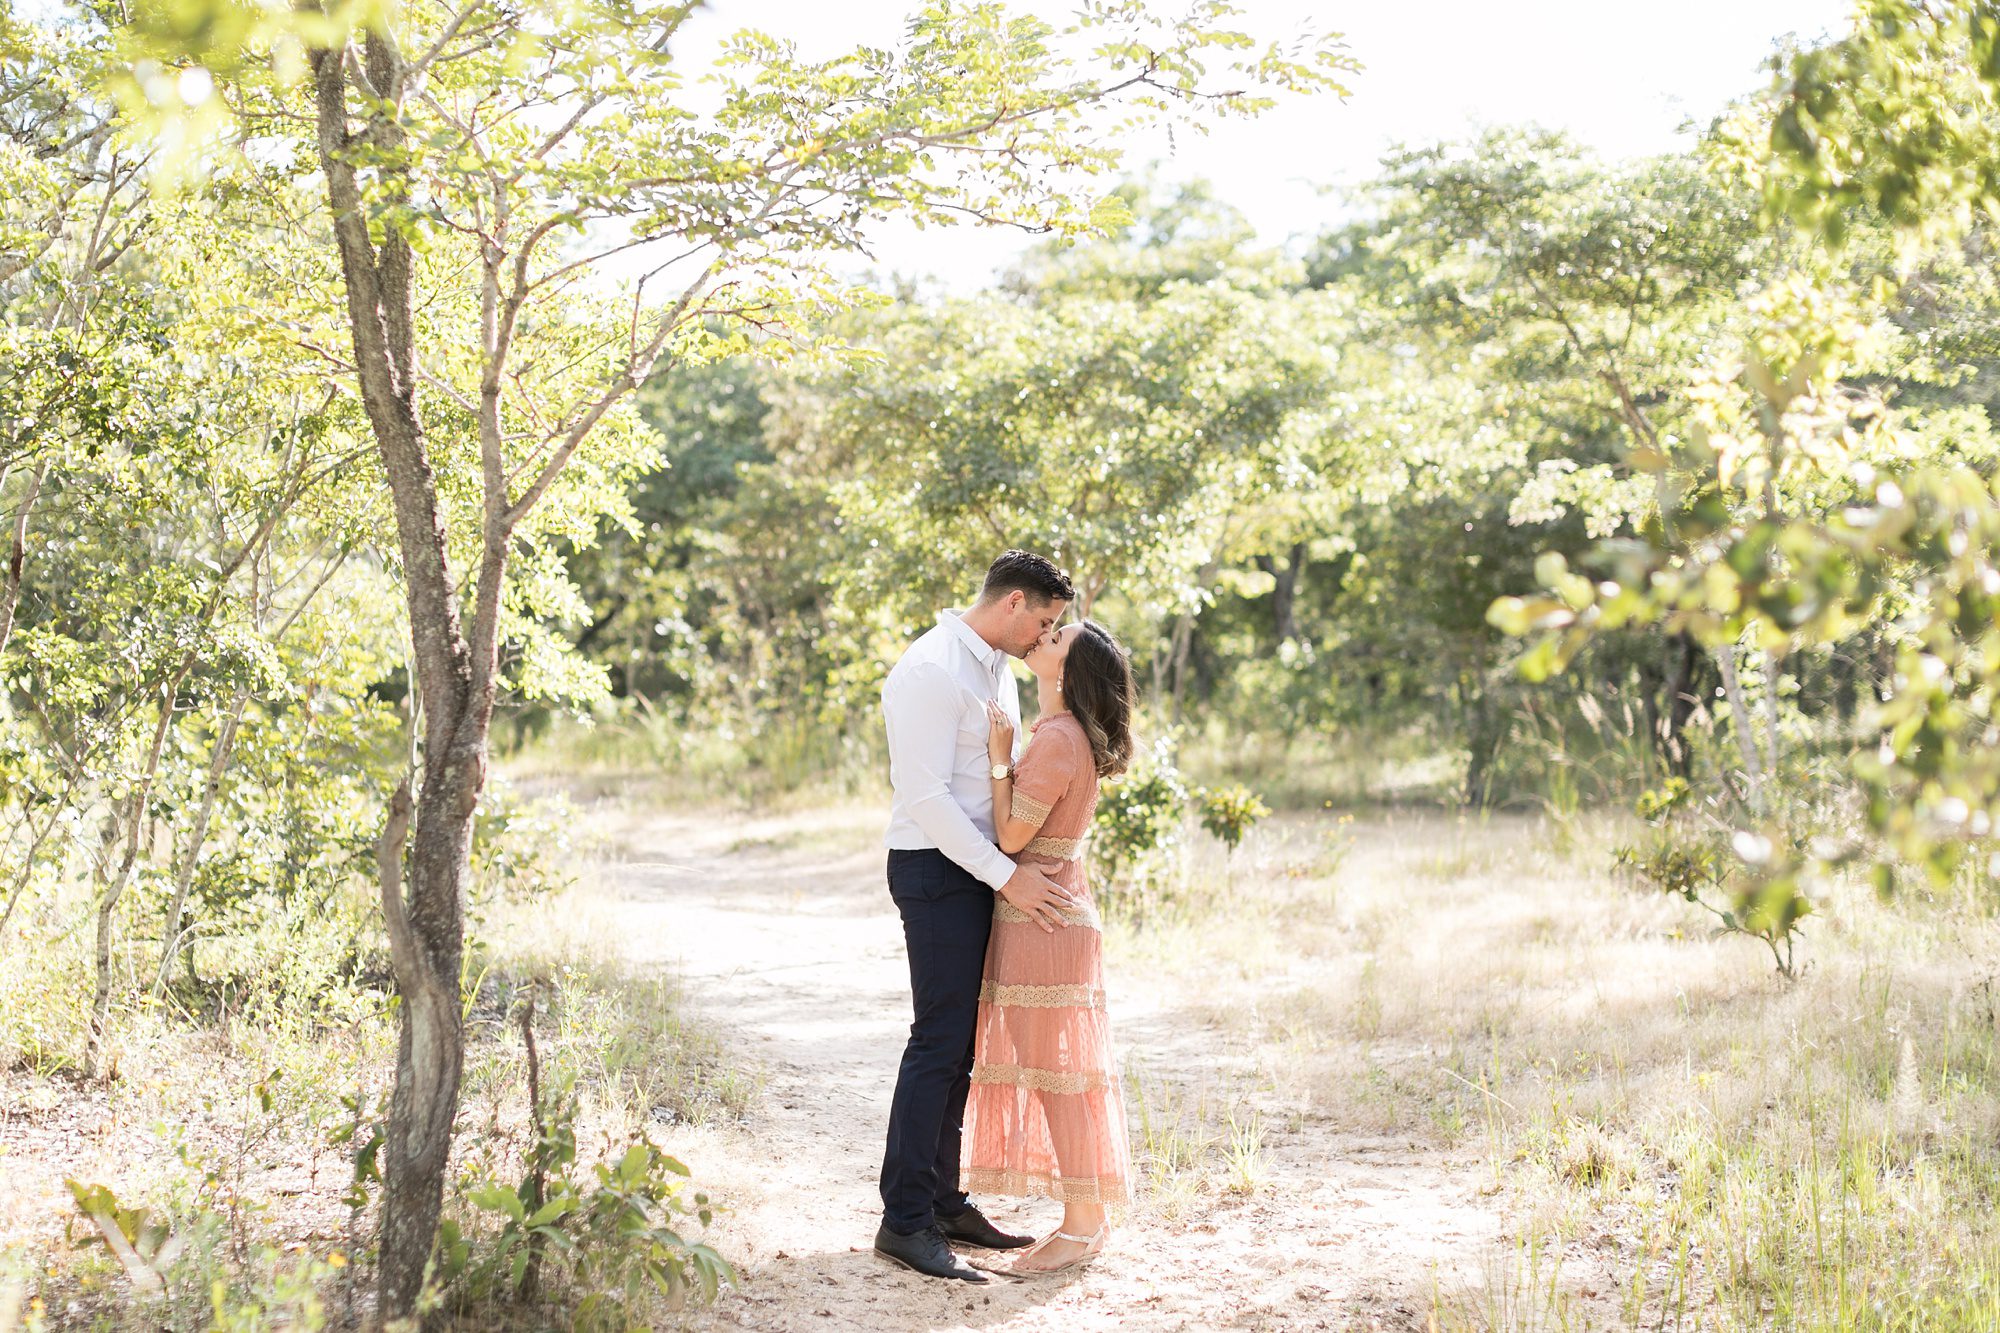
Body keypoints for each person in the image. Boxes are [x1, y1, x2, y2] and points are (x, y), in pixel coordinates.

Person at [873, 550, 1080, 1284]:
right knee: (936, 1040)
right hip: (935, 871)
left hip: (979, 873)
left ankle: (945, 1199)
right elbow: (925, 798)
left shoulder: (993, 667)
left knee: (961, 1044)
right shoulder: (929, 670)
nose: (1046, 636)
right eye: (1046, 621)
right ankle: (903, 1221)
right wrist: (1007, 876)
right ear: (1014, 601)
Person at [962, 618, 1136, 1275]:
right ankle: (1087, 1218)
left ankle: (1081, 1224)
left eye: (1058, 636)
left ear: (1069, 669)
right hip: (1053, 915)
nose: (1044, 636)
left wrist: (1000, 757)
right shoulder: (1067, 736)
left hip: (1045, 923)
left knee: (1057, 1077)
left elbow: (1009, 837)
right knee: (1062, 1076)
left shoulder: (1058, 739)